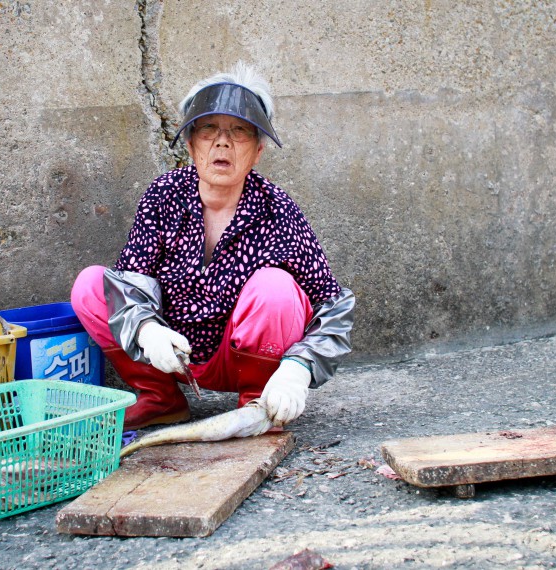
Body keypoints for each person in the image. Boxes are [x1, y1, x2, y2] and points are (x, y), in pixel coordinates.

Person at [70, 61, 354, 431]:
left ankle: (259, 409)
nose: (222, 142)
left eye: (239, 132)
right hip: (171, 354)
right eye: (208, 130)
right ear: (190, 145)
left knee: (277, 288)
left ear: (257, 152)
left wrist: (299, 368)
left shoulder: (277, 210)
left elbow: (332, 307)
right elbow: (129, 282)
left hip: (241, 358)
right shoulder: (164, 195)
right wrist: (146, 331)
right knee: (92, 285)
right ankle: (161, 400)